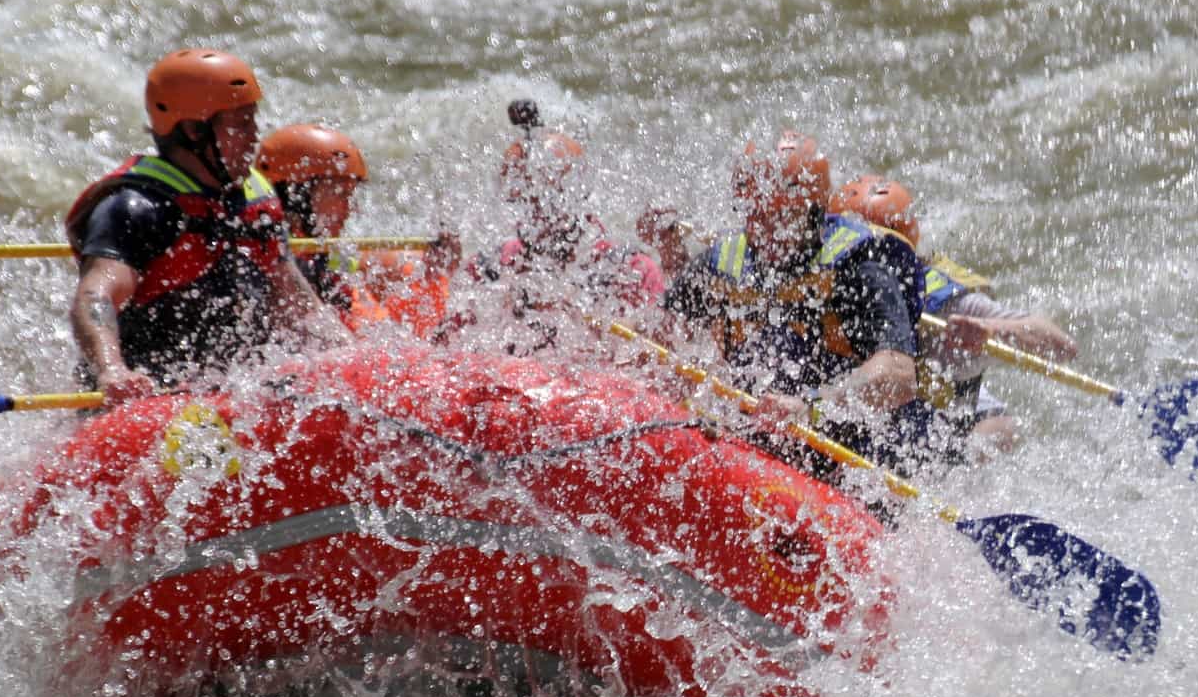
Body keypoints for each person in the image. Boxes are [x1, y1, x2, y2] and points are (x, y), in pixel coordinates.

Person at [65, 48, 348, 405]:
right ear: (193, 131)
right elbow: (96, 296)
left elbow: (294, 300)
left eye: (253, 122)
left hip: (231, 395)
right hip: (150, 401)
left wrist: (349, 358)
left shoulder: (253, 202)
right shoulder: (136, 208)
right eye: (240, 124)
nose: (253, 137)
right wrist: (111, 370)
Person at [654, 131, 922, 483]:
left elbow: (899, 375)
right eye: (754, 214)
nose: (763, 229)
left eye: (778, 216)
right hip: (754, 444)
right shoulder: (727, 259)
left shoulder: (859, 265)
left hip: (841, 460)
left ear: (811, 208)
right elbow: (660, 332)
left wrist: (814, 405)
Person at [826, 175, 1077, 457]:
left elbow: (1061, 346)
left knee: (996, 432)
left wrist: (989, 331)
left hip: (947, 420)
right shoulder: (828, 278)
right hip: (879, 409)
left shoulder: (948, 305)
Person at [439, 101, 667, 356]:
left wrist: (579, 318)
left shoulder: (630, 272)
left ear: (578, 195)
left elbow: (653, 356)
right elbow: (444, 353)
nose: (537, 214)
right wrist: (440, 274)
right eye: (524, 200)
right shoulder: (488, 271)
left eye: (549, 198)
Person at [253, 122, 457, 339]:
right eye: (341, 194)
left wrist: (435, 271)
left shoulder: (326, 258)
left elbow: (364, 285)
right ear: (296, 196)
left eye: (351, 195)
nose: (351, 209)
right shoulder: (267, 265)